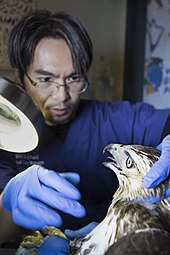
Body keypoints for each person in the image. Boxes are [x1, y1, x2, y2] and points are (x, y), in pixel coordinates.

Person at [0, 9, 170, 253]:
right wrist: (7, 203)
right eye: (46, 79)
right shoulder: (5, 134)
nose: (62, 96)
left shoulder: (111, 120)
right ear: (20, 77)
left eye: (74, 78)